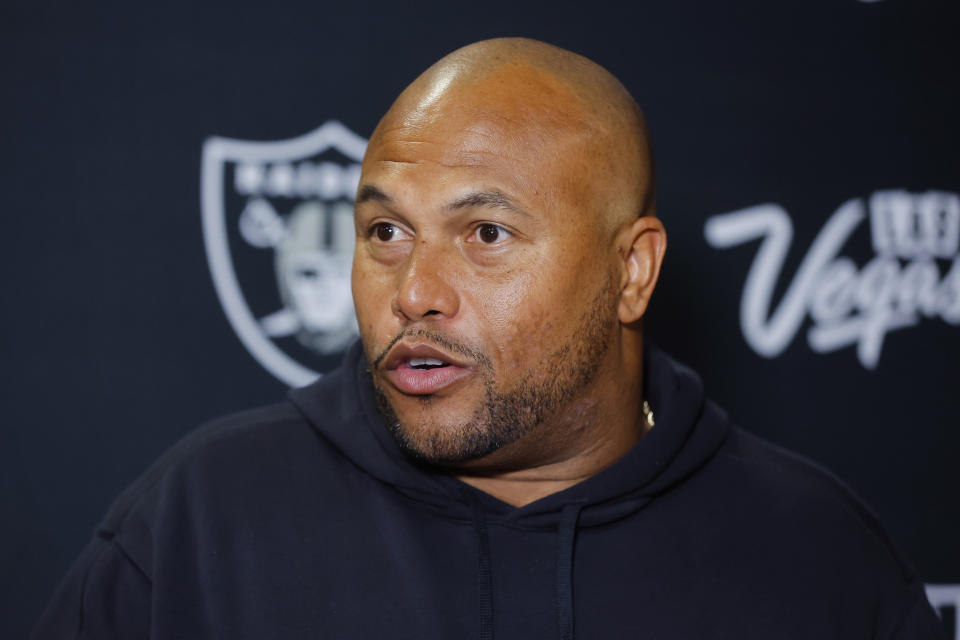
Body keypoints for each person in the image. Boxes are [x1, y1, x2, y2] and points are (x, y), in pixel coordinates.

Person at [34, 38, 944, 639]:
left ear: (631, 272)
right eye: (385, 233)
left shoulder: (818, 556)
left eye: (487, 236)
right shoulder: (198, 526)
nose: (415, 294)